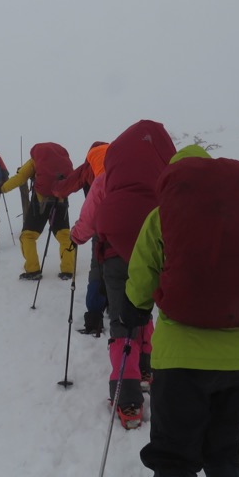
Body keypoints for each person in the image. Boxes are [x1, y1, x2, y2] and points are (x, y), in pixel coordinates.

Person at [123, 144, 239, 477]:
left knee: (174, 457)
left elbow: (140, 283)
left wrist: (135, 310)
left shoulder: (163, 214)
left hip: (181, 362)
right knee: (225, 450)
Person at [81, 119, 176, 429]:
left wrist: (76, 237)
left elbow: (91, 214)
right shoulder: (166, 177)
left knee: (123, 317)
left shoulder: (108, 177)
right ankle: (147, 369)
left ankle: (128, 399)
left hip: (115, 254)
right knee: (144, 309)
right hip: (157, 249)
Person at [0, 142, 76, 280]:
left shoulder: (36, 160)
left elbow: (20, 177)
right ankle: (68, 270)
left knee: (28, 236)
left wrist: (2, 188)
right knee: (64, 236)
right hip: (61, 201)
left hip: (40, 203)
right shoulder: (63, 161)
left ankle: (33, 270)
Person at [55, 141, 109, 336]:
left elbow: (64, 189)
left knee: (98, 265)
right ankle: (116, 305)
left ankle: (94, 318)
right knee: (122, 264)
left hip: (100, 222)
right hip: (127, 222)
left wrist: (57, 184)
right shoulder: (121, 161)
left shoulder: (89, 165)